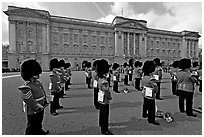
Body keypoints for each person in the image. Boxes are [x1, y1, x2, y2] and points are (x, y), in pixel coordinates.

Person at [18, 59, 49, 135]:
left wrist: (45, 101)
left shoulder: (37, 83)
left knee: (39, 121)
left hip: (41, 106)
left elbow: (42, 92)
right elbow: (28, 99)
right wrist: (37, 106)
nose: (38, 75)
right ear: (30, 74)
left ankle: (39, 131)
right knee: (32, 125)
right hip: (34, 109)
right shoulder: (26, 86)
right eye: (35, 73)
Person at [96, 59, 113, 135]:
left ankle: (101, 124)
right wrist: (110, 97)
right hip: (105, 99)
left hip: (100, 98)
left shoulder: (100, 79)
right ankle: (104, 129)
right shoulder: (104, 81)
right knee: (105, 115)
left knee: (102, 112)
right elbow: (106, 92)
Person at [141, 60, 160, 125]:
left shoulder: (144, 76)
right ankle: (151, 119)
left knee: (145, 104)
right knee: (151, 107)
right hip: (150, 93)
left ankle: (144, 114)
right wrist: (156, 90)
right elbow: (155, 87)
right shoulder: (151, 78)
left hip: (145, 92)